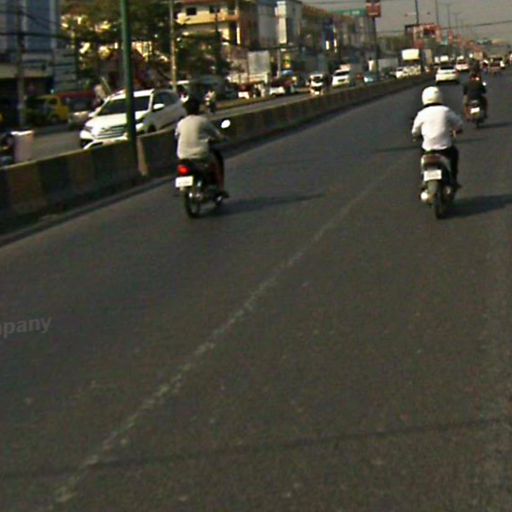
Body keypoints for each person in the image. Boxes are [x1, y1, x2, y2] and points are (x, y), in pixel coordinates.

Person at [175, 97, 229, 197]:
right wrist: (222, 138)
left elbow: (176, 136)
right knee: (216, 162)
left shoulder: (181, 123)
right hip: (201, 154)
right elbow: (216, 134)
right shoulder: (203, 121)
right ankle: (220, 188)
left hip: (183, 155)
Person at [411, 86, 464, 188]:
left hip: (428, 149)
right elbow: (458, 123)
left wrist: (416, 135)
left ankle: (423, 178)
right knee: (454, 154)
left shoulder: (422, 114)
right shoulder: (445, 111)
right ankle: (453, 179)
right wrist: (457, 130)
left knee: (422, 158)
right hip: (445, 148)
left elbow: (415, 130)